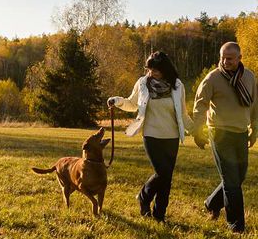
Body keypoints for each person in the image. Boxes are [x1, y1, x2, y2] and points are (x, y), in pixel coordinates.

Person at [107, 51, 193, 222]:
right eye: (149, 69)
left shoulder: (177, 85)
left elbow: (183, 114)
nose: (151, 73)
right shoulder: (143, 83)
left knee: (166, 178)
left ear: (165, 69)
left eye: (155, 70)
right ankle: (144, 196)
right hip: (151, 135)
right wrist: (117, 101)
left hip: (172, 137)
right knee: (162, 173)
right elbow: (132, 104)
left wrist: (196, 130)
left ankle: (160, 215)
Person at [191, 42, 257, 233]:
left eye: (229, 58)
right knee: (231, 182)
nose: (224, 61)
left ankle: (211, 203)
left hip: (241, 133)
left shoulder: (250, 77)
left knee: (239, 176)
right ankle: (236, 226)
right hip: (219, 133)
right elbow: (200, 105)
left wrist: (255, 130)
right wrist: (198, 131)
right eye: (222, 57)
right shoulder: (213, 78)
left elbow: (254, 105)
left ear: (239, 58)